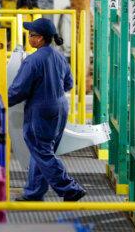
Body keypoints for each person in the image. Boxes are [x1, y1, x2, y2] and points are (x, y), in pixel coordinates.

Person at [8, 18, 86, 202]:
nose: (29, 37)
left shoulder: (33, 61)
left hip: (40, 110)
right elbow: (69, 83)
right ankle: (34, 192)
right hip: (59, 107)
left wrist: (0, 100)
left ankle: (70, 188)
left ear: (40, 39)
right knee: (42, 151)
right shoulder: (59, 57)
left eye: (31, 35)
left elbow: (19, 90)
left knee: (42, 151)